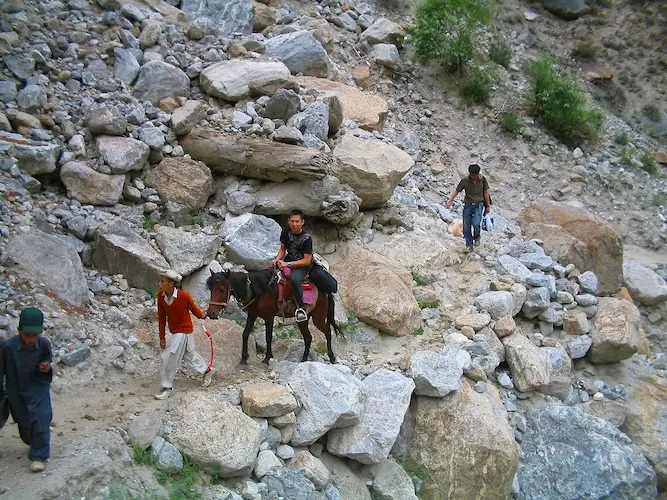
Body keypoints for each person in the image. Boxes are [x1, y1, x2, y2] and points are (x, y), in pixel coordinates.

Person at [0, 307, 53, 472]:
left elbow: (47, 360)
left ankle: (39, 456)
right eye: (27, 335)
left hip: (38, 388)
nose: (31, 339)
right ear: (19, 331)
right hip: (15, 390)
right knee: (25, 423)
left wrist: (45, 367)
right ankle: (32, 442)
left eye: (34, 335)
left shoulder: (44, 344)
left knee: (41, 418)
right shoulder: (7, 348)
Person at [154, 270, 215, 400]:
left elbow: (197, 313)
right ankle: (207, 371)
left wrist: (208, 313)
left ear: (171, 284)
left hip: (183, 331)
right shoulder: (161, 297)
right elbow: (161, 318)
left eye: (162, 281)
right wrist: (162, 337)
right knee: (189, 355)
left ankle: (167, 387)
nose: (159, 284)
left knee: (168, 356)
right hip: (177, 332)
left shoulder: (184, 296)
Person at [272, 210, 315, 323]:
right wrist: (276, 260)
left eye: (297, 221)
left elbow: (307, 260)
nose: (294, 224)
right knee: (269, 273)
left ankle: (301, 308)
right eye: (292, 221)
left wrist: (287, 264)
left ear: (302, 222)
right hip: (288, 260)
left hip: (301, 266)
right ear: (288, 221)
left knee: (295, 279)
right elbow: (282, 250)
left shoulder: (307, 239)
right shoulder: (286, 231)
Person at [446, 164, 492, 252]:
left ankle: (477, 237)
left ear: (478, 174)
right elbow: (457, 190)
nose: (474, 177)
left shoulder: (482, 179)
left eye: (476, 175)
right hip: (468, 205)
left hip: (479, 205)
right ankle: (469, 245)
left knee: (476, 223)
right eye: (472, 175)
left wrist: (488, 206)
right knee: (466, 227)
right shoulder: (464, 181)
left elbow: (486, 192)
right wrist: (450, 200)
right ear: (469, 173)